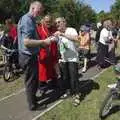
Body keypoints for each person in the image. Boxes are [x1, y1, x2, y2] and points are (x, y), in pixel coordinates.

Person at [17, 1, 52, 110]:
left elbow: (31, 39)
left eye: (41, 11)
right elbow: (27, 42)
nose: (40, 13)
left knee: (33, 80)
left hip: (28, 55)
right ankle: (33, 105)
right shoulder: (27, 20)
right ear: (32, 8)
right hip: (28, 57)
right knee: (31, 81)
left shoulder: (29, 19)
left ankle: (32, 98)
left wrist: (41, 45)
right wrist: (43, 42)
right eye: (39, 10)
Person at [54, 17, 80, 106]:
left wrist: (62, 34)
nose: (57, 24)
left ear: (64, 22)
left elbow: (77, 39)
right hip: (64, 59)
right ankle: (69, 92)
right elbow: (58, 45)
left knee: (74, 78)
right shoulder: (58, 34)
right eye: (56, 23)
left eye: (58, 22)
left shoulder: (71, 30)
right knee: (65, 78)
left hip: (73, 59)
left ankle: (77, 95)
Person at [37, 15, 59, 92]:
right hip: (44, 53)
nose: (48, 23)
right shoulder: (39, 29)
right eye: (46, 22)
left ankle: (54, 83)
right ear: (43, 21)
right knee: (43, 70)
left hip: (53, 51)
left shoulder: (54, 28)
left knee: (53, 69)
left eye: (49, 21)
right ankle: (42, 86)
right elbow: (37, 41)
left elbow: (58, 37)